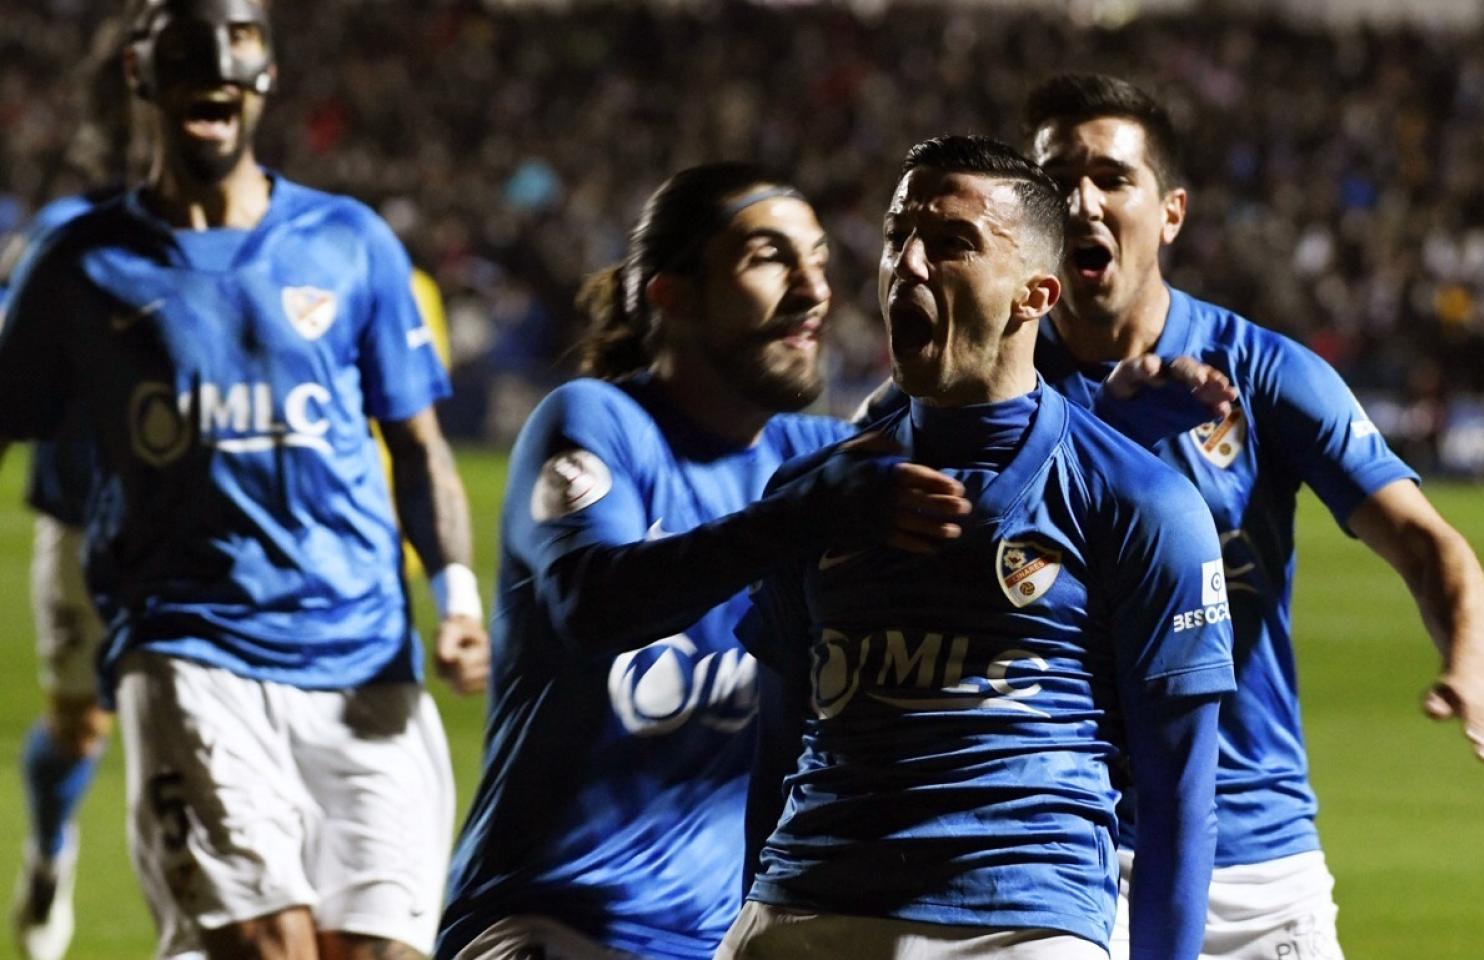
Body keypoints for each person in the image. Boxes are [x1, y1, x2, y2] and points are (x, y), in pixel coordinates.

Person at [0, 1, 489, 957]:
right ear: (140, 78)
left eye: (239, 44)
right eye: (183, 55)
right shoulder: (77, 262)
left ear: (265, 80)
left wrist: (458, 597)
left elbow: (420, 444)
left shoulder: (352, 242)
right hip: (190, 649)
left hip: (367, 663)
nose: (213, 70)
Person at [1021, 73, 1484, 959]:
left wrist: (1474, 672)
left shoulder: (1262, 373)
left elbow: (1425, 544)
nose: (1082, 200)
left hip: (1258, 862)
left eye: (1111, 177)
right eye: (1058, 178)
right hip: (1068, 851)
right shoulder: (991, 386)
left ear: (1169, 213)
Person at [720, 135, 1235, 960]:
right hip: (800, 912)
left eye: (952, 242)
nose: (908, 265)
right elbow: (776, 749)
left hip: (1015, 922)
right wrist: (757, 911)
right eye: (898, 235)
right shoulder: (813, 492)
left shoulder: (1143, 502)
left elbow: (1179, 797)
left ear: (1036, 294)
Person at [437, 163, 968, 960]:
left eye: (819, 261)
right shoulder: (599, 422)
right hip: (552, 924)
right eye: (769, 258)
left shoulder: (812, 458)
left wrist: (1149, 394)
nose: (813, 289)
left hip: (728, 942)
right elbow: (594, 604)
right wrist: (798, 519)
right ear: (671, 296)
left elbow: (999, 462)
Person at [1, 17, 149, 960]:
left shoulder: (260, 227)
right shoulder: (63, 240)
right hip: (84, 521)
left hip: (206, 538)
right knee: (80, 726)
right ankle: (49, 846)